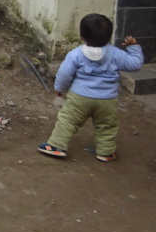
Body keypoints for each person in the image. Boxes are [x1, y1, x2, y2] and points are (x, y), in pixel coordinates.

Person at [38, 14, 144, 162]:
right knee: (107, 126)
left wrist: (60, 89)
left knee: (68, 121)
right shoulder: (115, 54)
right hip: (107, 100)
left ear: (82, 36)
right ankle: (106, 152)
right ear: (109, 36)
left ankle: (56, 146)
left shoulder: (75, 55)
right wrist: (134, 47)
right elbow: (135, 64)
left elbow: (64, 74)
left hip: (79, 97)